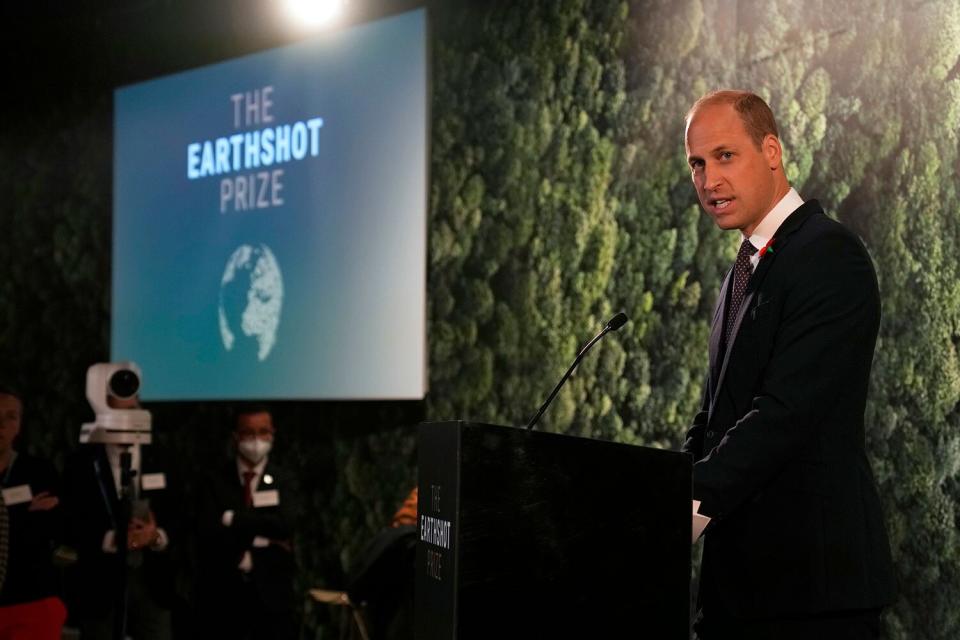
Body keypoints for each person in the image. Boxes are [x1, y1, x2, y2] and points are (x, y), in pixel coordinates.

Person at [680, 90, 896, 639]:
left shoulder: (830, 255)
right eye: (697, 164)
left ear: (771, 151)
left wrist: (685, 505)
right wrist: (660, 491)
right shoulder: (740, 272)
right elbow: (713, 418)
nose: (708, 181)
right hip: (738, 597)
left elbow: (785, 415)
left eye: (725, 156)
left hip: (812, 598)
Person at [62, 392, 182, 640]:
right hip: (100, 585)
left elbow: (181, 514)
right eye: (117, 414)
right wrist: (113, 540)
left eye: (131, 412)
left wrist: (156, 537)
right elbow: (70, 521)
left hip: (153, 582)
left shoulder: (162, 456)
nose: (125, 420)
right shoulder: (81, 463)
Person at [196, 405, 298, 640]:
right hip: (222, 592)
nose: (256, 440)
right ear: (235, 437)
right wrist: (263, 535)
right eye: (248, 432)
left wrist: (232, 518)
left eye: (263, 432)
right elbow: (208, 530)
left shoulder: (284, 478)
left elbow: (285, 524)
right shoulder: (214, 480)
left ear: (272, 433)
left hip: (272, 593)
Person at [0, 386, 66, 639]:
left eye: (11, 416)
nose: (1, 424)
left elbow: (51, 530)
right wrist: (25, 517)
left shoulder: (38, 472)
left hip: (30, 602)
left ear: (19, 425)